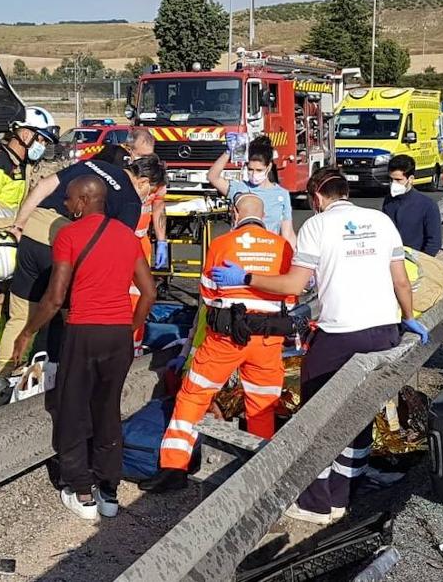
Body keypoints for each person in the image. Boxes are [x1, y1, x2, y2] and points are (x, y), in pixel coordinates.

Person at [209, 168, 426, 526]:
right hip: (384, 331)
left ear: (316, 198)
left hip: (341, 335)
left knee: (316, 418)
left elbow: (294, 283)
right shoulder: (380, 220)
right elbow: (400, 279)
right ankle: (346, 491)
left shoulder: (316, 226)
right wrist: (408, 317)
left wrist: (245, 277)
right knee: (359, 408)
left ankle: (315, 503)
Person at [9, 175, 156, 520]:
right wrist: (129, 325)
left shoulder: (69, 235)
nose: (64, 203)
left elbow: (55, 296)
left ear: (85, 201)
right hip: (118, 334)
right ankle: (109, 492)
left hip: (83, 330)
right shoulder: (127, 235)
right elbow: (149, 292)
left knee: (73, 410)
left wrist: (27, 332)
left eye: (70, 198)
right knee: (107, 411)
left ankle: (81, 491)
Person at [140, 193, 295, 493]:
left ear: (236, 214)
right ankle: (261, 473)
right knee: (262, 404)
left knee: (193, 396)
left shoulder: (223, 244)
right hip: (267, 339)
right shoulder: (282, 247)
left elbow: (208, 295)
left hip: (225, 339)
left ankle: (174, 468)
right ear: (264, 217)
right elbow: (290, 295)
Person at [0, 154, 165, 377]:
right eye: (151, 192)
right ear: (143, 182)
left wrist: (19, 225)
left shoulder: (95, 163)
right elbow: (114, 244)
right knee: (69, 317)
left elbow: (44, 185)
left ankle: (3, 376)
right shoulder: (131, 201)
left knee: (20, 315)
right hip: (67, 243)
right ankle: (59, 375)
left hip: (33, 230)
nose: (148, 197)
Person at [0, 106, 59, 226]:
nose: (43, 146)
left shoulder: (25, 165)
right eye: (41, 140)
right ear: (25, 135)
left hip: (14, 233)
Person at [206, 135, 295, 248]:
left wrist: (294, 258)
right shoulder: (239, 188)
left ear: (269, 167)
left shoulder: (281, 194)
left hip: (269, 251)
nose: (254, 174)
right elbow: (212, 177)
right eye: (250, 169)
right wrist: (228, 152)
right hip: (243, 250)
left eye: (259, 170)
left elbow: (288, 233)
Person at [125, 128, 169, 270]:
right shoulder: (119, 173)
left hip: (141, 240)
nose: (146, 161)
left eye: (149, 156)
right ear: (129, 150)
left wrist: (162, 241)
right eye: (142, 156)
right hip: (119, 240)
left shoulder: (156, 174)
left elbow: (158, 207)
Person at [381, 154, 442, 256]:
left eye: (398, 180)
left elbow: (434, 242)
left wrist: (419, 262)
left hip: (415, 262)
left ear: (410, 179)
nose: (393, 184)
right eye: (391, 180)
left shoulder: (427, 205)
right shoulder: (388, 201)